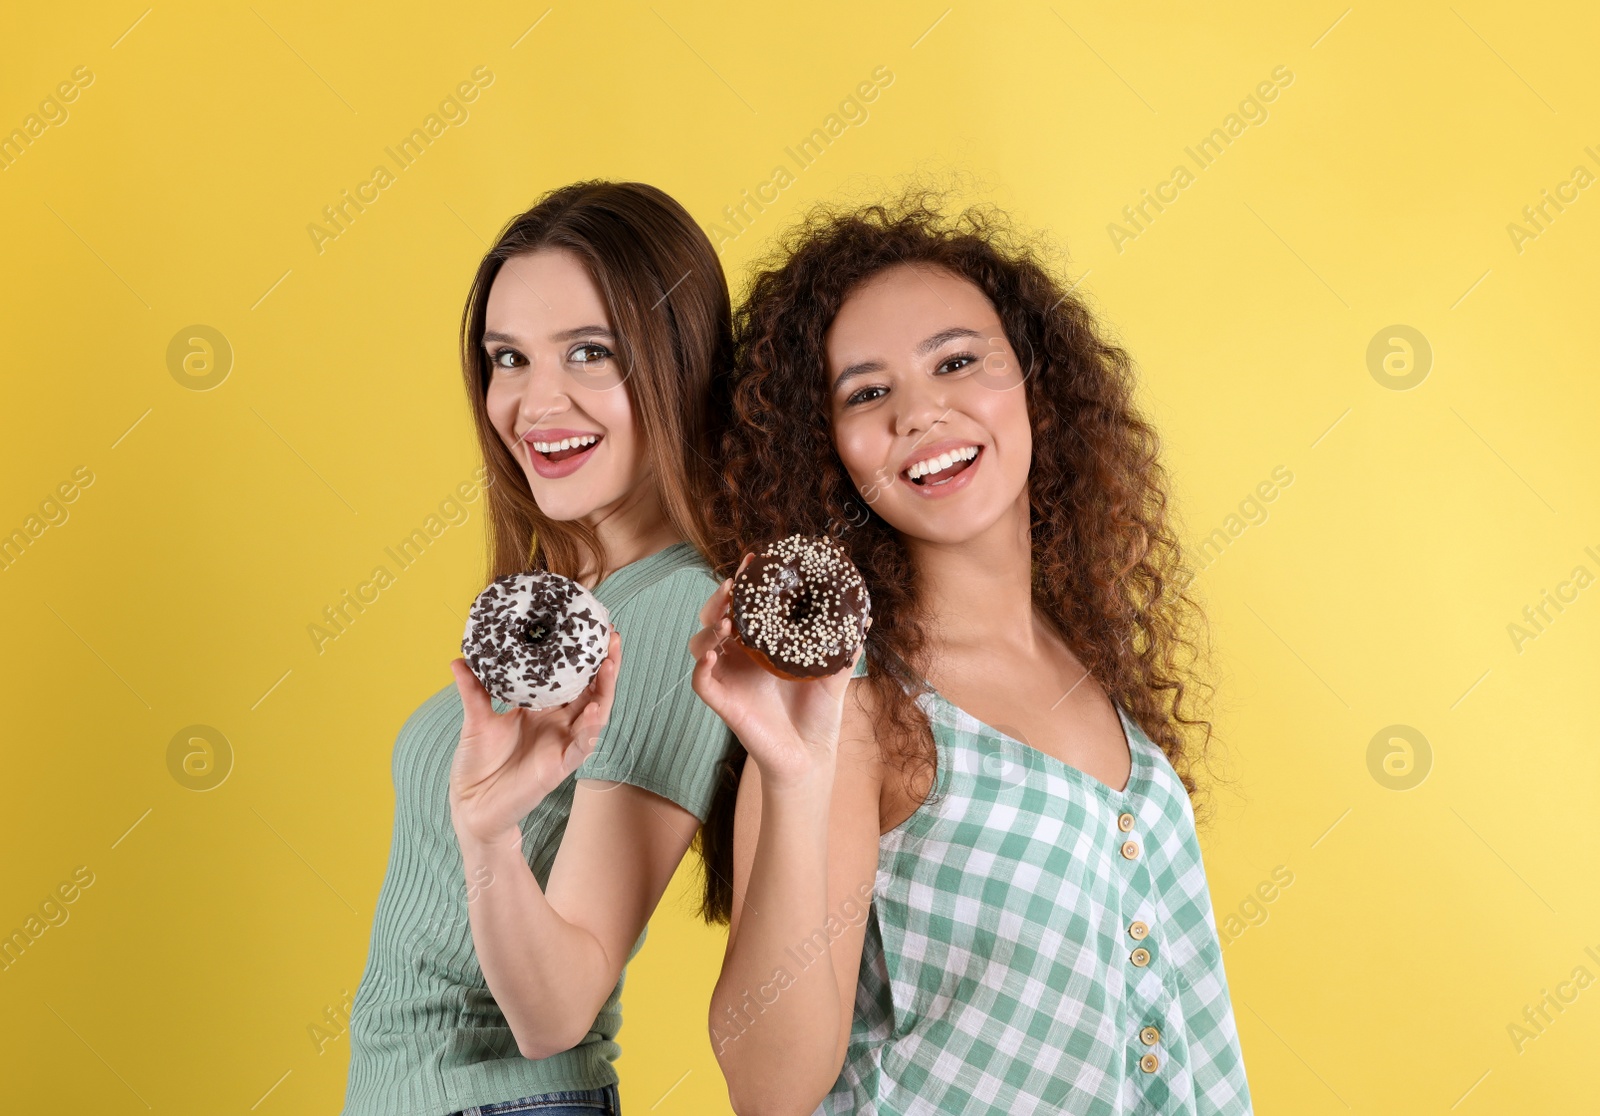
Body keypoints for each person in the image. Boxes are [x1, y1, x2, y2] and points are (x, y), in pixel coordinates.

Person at [689, 193, 1252, 1114]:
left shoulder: (1094, 663)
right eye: (867, 393)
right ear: (827, 449)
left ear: (1035, 383)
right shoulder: (851, 712)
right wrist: (791, 774)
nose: (921, 411)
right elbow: (769, 1089)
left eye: (957, 362)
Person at [342, 180, 735, 1116]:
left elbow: (559, 1009)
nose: (532, 401)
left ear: (679, 370)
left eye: (590, 354)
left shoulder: (674, 612)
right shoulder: (589, 598)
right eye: (507, 358)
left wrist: (487, 837)